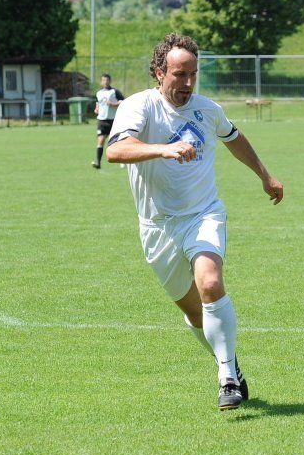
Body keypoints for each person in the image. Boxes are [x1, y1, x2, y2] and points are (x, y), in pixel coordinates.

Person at [107, 33, 284, 411]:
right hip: (156, 227)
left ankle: (227, 377)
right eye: (179, 74)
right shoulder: (139, 106)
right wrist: (164, 148)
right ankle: (229, 362)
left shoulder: (207, 109)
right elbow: (116, 150)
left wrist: (265, 175)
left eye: (193, 74)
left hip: (203, 214)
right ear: (160, 73)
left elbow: (234, 137)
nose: (188, 83)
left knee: (211, 282)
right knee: (193, 312)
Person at [92, 73, 124, 169]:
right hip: (102, 120)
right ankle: (98, 162)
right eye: (103, 80)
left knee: (117, 142)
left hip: (113, 121)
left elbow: (123, 102)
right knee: (101, 141)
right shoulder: (98, 93)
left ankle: (123, 161)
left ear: (110, 81)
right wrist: (96, 109)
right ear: (101, 82)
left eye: (107, 80)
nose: (105, 82)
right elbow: (98, 104)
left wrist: (113, 104)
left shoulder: (115, 92)